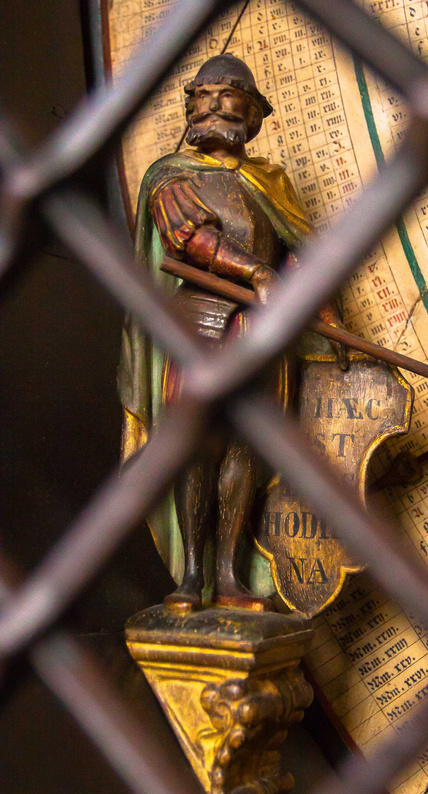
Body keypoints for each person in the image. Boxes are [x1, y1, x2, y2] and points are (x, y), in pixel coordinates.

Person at [119, 54, 346, 612]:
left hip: (262, 332)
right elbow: (187, 238)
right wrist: (255, 273)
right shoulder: (171, 175)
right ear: (190, 107)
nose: (217, 106)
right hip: (199, 325)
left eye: (231, 96)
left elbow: (297, 252)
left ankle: (228, 574)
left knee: (249, 446)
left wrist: (326, 314)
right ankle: (191, 575)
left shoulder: (270, 181)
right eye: (205, 96)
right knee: (199, 444)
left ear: (255, 111)